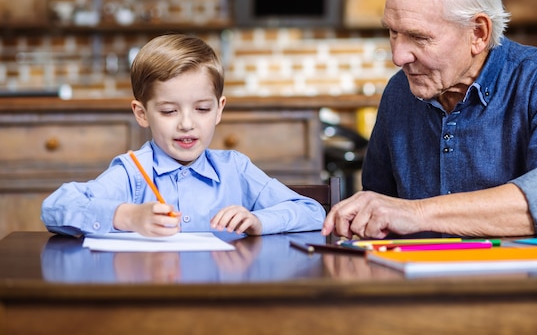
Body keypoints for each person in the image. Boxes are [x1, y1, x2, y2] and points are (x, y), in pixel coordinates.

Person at [322, 0, 537, 240]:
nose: (398, 56)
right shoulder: (398, 91)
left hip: (533, 279)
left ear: (478, 34)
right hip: (426, 279)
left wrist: (416, 213)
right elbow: (380, 204)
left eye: (418, 37)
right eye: (393, 32)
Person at [42, 34, 325, 237]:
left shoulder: (235, 169)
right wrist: (128, 216)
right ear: (142, 114)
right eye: (169, 111)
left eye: (202, 109)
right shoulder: (132, 172)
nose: (187, 124)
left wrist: (259, 221)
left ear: (218, 109)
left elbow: (312, 211)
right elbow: (55, 208)